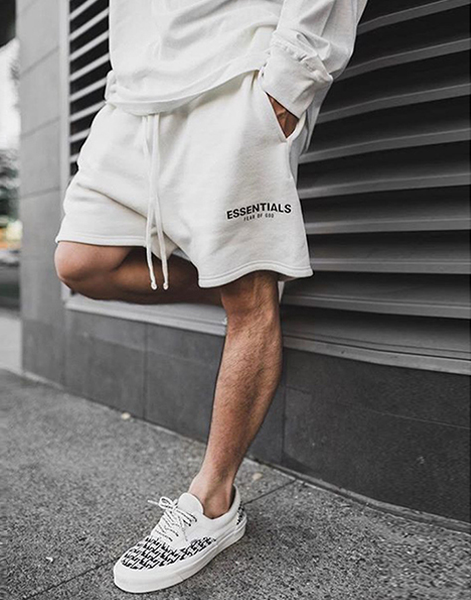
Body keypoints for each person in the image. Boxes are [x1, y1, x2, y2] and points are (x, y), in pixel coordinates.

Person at [54, 0, 368, 593]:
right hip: (132, 101)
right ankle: (251, 298)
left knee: (247, 298)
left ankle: (214, 503)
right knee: (81, 265)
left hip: (234, 79)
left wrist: (286, 85)